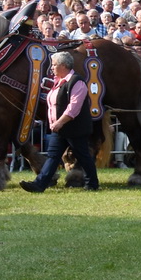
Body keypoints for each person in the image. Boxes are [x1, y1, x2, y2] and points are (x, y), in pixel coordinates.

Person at [21, 52, 100, 192]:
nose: (51, 67)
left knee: (83, 156)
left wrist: (59, 122)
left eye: (54, 64)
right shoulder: (58, 81)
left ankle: (92, 184)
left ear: (63, 65)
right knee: (52, 156)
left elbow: (73, 108)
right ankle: (39, 184)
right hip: (59, 128)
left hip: (74, 128)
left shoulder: (77, 82)